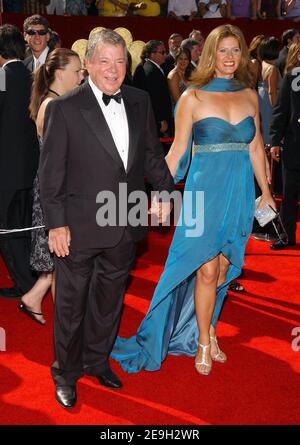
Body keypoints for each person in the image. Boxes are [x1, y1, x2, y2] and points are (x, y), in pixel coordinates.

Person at [111, 24, 275, 376]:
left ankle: (209, 327)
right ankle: (202, 340)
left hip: (239, 192)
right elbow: (178, 151)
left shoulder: (249, 94)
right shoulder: (193, 96)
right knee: (205, 268)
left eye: (235, 51)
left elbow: (256, 146)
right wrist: (160, 191)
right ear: (210, 53)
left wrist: (265, 191)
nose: (229, 58)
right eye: (223, 50)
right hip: (202, 194)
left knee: (225, 270)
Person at [39, 29, 174, 409]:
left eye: (119, 61)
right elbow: (50, 174)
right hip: (78, 226)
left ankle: (96, 361)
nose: (113, 70)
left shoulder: (140, 100)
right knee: (70, 304)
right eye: (104, 61)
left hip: (126, 220)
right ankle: (65, 373)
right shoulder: (65, 107)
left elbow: (150, 154)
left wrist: (164, 190)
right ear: (88, 66)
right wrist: (56, 223)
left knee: (110, 300)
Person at [17, 48, 84, 325]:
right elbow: (58, 156)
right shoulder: (53, 105)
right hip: (54, 190)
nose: (82, 76)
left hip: (53, 187)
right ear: (60, 74)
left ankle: (37, 301)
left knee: (59, 259)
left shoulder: (51, 102)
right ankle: (64, 325)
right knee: (61, 258)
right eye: (77, 71)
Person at [0, 24, 39, 299]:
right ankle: (30, 280)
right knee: (24, 227)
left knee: (7, 230)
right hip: (30, 168)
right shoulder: (31, 75)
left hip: (6, 170)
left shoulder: (2, 76)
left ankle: (24, 285)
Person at [269, 42, 300, 249]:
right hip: (294, 146)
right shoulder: (291, 76)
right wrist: (274, 141)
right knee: (289, 196)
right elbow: (281, 111)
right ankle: (286, 236)